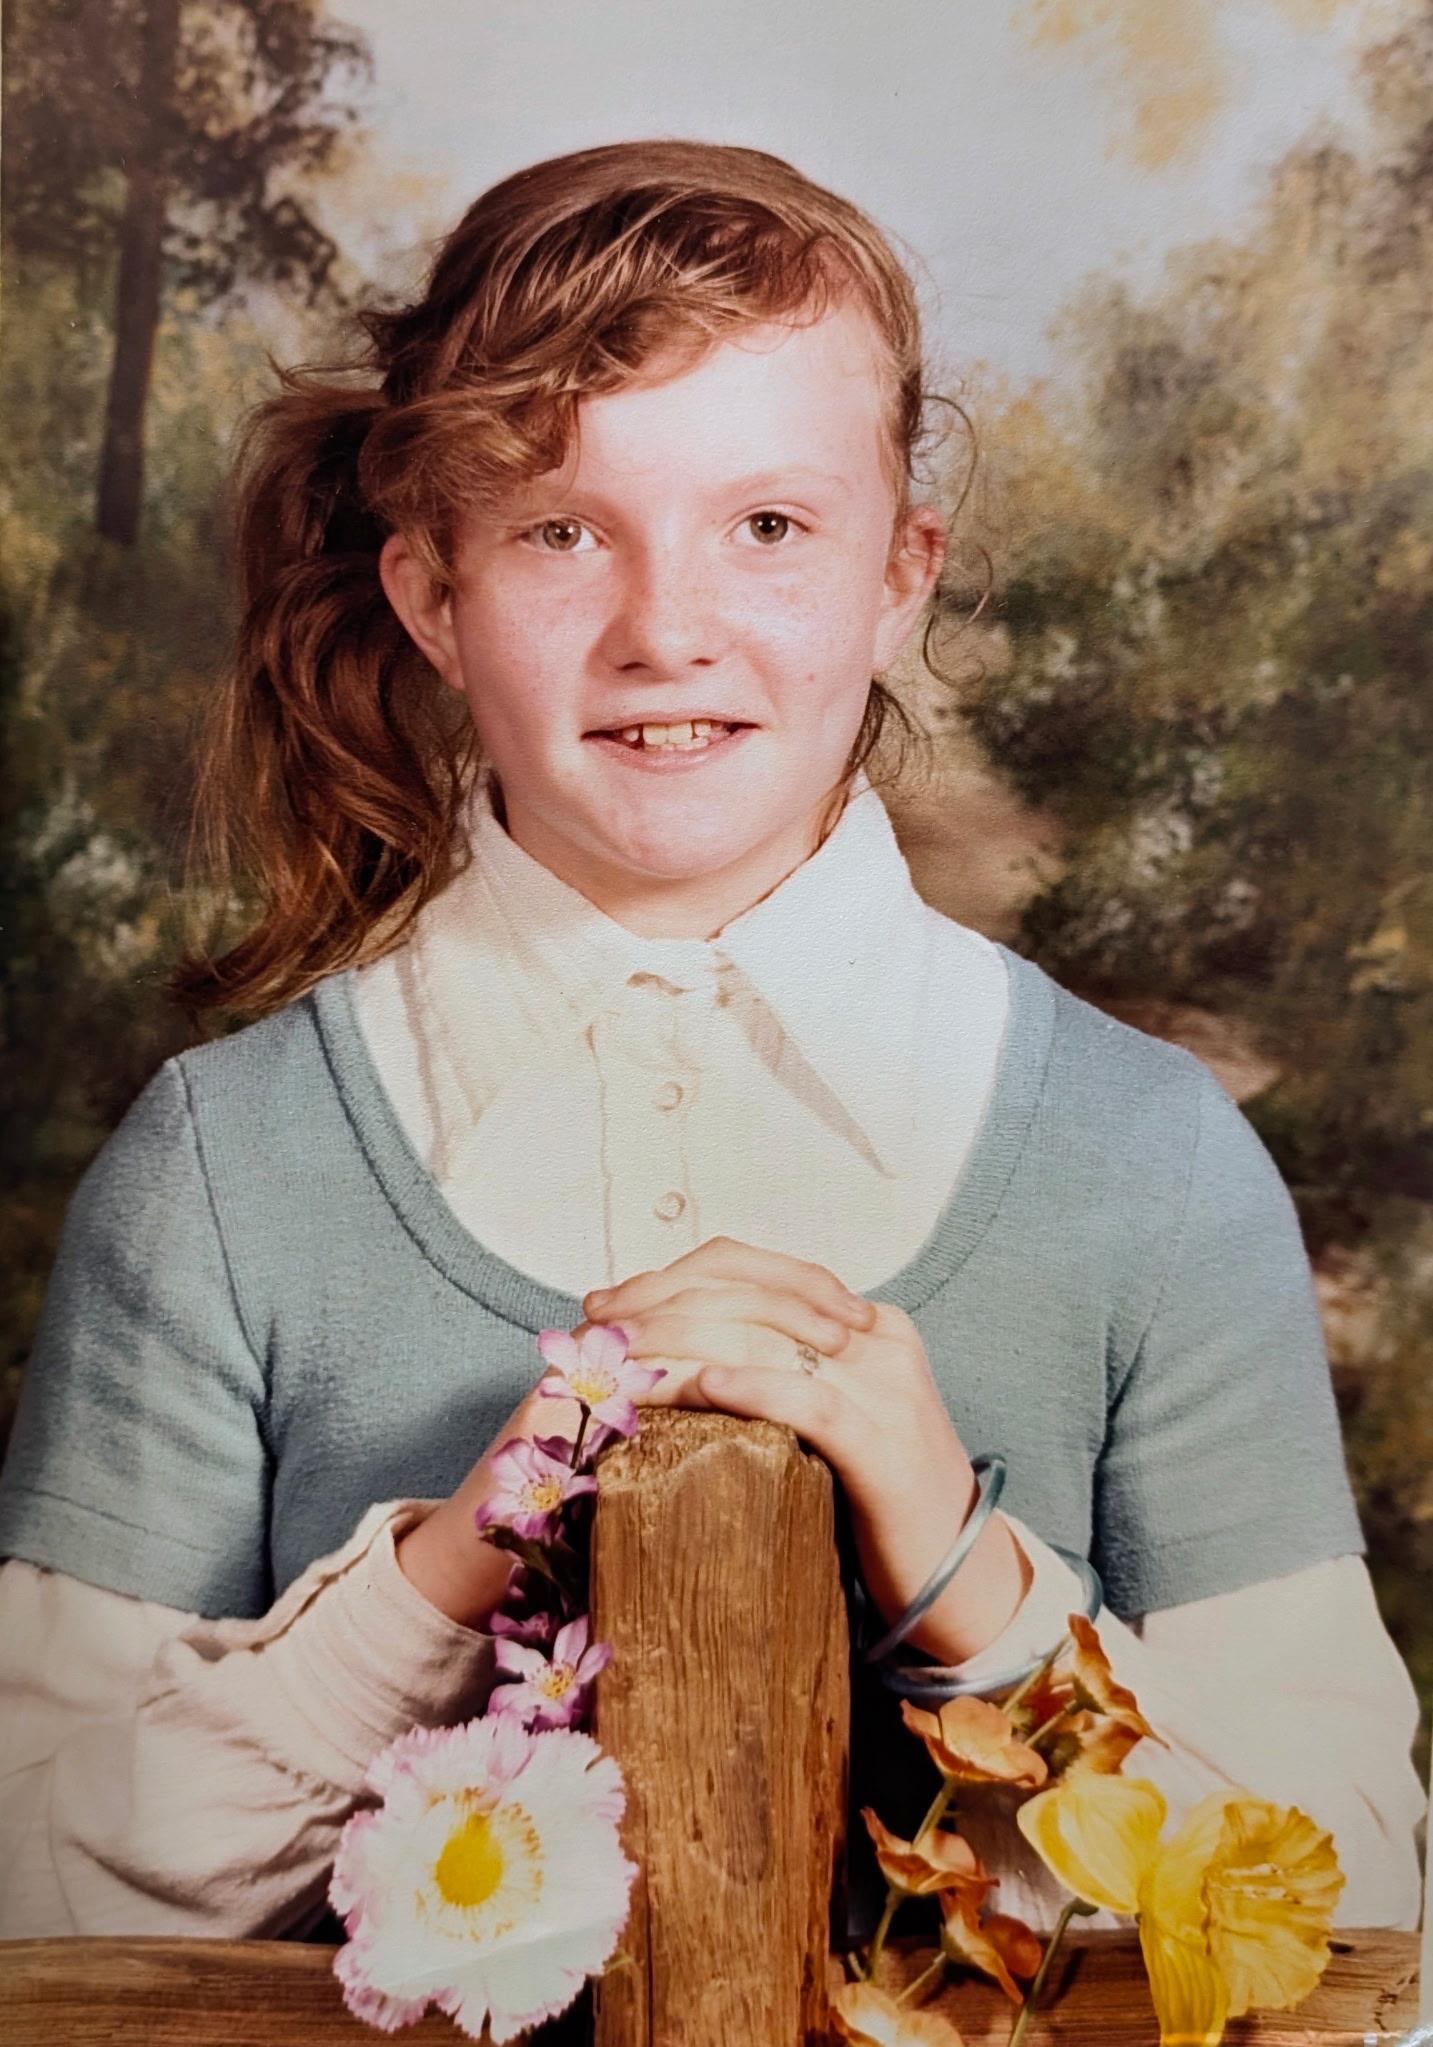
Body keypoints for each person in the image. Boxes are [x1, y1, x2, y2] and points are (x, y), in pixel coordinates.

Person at [0, 140, 1423, 1946]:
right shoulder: (218, 1168)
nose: (665, 632)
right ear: (432, 596)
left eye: (768, 528)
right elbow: (29, 1886)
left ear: (899, 574)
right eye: (562, 532)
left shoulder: (1153, 1160)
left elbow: (1351, 1904)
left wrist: (962, 1572)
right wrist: (458, 1559)